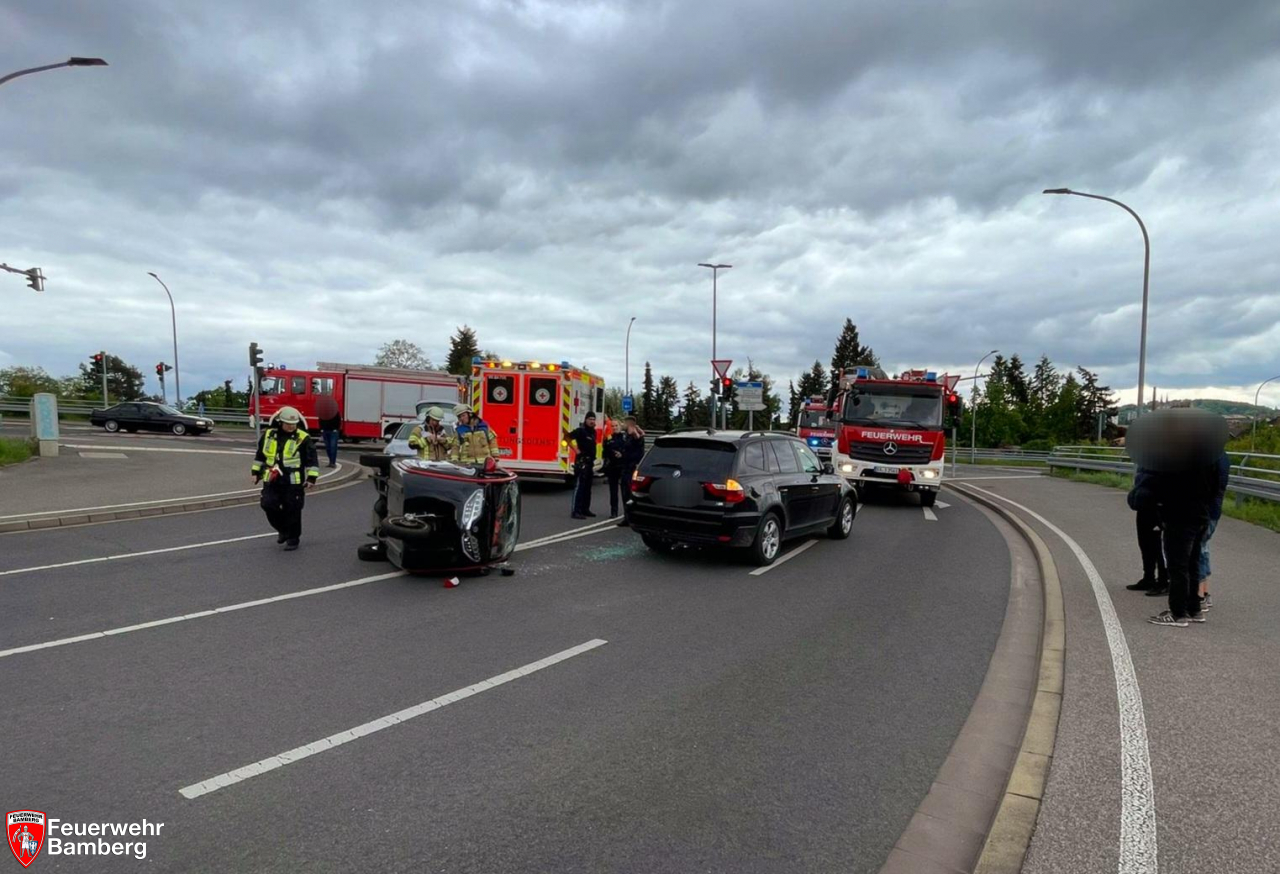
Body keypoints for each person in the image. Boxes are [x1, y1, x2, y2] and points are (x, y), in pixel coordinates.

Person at [252, 406, 319, 551]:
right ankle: (283, 530)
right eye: (288, 424)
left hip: (293, 480)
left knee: (293, 509)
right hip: (272, 478)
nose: (291, 427)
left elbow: (312, 460)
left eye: (294, 424)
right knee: (268, 504)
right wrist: (255, 472)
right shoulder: (268, 434)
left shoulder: (303, 438)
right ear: (280, 422)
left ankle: (293, 539)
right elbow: (260, 455)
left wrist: (311, 478)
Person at [1125, 467, 1168, 594]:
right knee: (1145, 544)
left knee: (1157, 547)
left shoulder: (1164, 462)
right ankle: (1149, 577)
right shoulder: (1146, 462)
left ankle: (1163, 581)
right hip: (1144, 506)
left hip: (1157, 508)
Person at [1198, 450, 1231, 610]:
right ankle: (1204, 592)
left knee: (1197, 551)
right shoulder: (1222, 456)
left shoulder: (1208, 457)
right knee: (1203, 549)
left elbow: (1204, 486)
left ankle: (1199, 596)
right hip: (1213, 510)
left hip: (1203, 510)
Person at [616, 416, 647, 526]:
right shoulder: (630, 436)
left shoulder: (635, 436)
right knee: (627, 494)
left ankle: (629, 518)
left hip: (630, 468)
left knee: (628, 495)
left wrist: (634, 431)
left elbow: (637, 438)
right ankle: (628, 517)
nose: (623, 425)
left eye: (625, 423)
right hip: (627, 467)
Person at [568, 412, 598, 519]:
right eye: (590, 419)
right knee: (579, 487)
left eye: (593, 419)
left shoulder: (593, 432)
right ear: (585, 420)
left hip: (590, 463)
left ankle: (585, 509)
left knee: (587, 488)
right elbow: (566, 438)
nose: (592, 421)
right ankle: (576, 511)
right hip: (582, 462)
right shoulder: (581, 431)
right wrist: (576, 450)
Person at [602, 419, 627, 518]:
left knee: (625, 491)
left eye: (616, 426)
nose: (614, 428)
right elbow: (605, 452)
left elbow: (629, 451)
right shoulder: (609, 439)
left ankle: (627, 512)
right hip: (612, 467)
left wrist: (622, 454)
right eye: (612, 426)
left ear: (620, 426)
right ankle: (614, 511)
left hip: (622, 466)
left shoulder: (625, 438)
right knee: (613, 491)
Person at [316, 395, 342, 468]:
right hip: (325, 431)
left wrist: (336, 429)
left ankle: (333, 462)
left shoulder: (335, 412)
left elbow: (338, 421)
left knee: (333, 447)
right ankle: (331, 461)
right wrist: (321, 428)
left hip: (333, 431)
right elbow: (320, 419)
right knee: (328, 447)